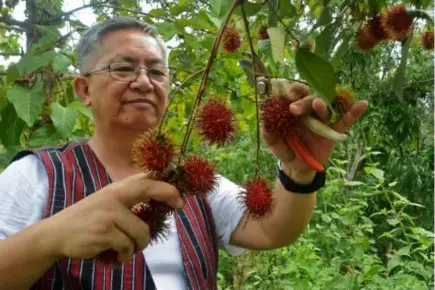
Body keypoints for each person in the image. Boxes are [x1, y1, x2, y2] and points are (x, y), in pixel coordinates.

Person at [0, 17, 368, 290]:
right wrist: (47, 238)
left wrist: (298, 170)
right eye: (123, 68)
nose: (144, 81)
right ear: (83, 90)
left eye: (157, 72)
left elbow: (271, 229)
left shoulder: (196, 182)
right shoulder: (35, 176)